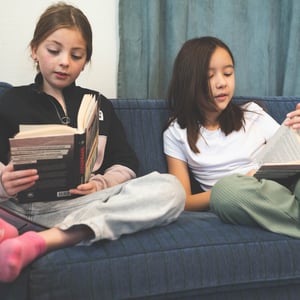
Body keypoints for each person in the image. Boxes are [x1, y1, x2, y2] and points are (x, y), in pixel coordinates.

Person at [0, 2, 185, 283]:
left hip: (81, 206)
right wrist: (4, 182)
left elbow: (126, 162)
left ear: (85, 61)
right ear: (34, 50)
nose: (64, 61)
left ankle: (42, 241)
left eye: (76, 55)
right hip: (16, 205)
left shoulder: (98, 104)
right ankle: (15, 228)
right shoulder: (11, 101)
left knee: (171, 190)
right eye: (54, 50)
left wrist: (100, 184)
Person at [163, 36, 300, 239]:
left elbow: (290, 151)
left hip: (283, 185)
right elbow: (183, 201)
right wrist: (246, 179)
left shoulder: (253, 114)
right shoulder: (176, 133)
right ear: (189, 81)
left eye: (228, 73)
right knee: (225, 191)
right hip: (241, 194)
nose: (222, 83)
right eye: (210, 76)